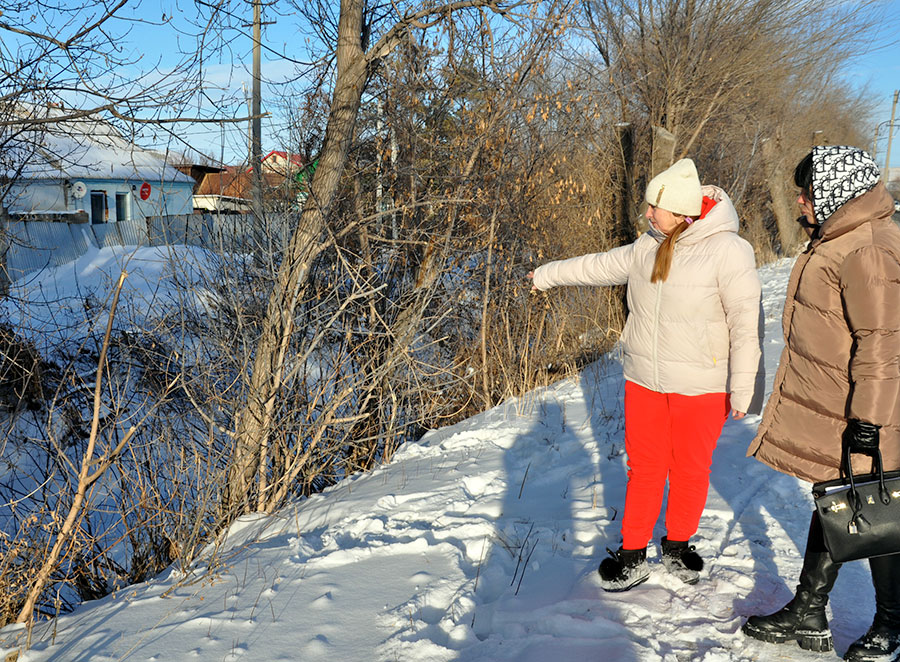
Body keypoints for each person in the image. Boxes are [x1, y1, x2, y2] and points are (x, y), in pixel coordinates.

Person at [528, 158, 763, 592]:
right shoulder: (647, 245)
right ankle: (633, 552)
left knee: (690, 469)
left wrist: (742, 388)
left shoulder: (729, 250)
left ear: (681, 212)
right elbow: (597, 266)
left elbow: (745, 323)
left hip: (701, 385)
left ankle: (677, 543)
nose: (648, 214)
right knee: (646, 468)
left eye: (655, 207)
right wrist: (547, 275)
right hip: (644, 380)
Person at [742, 145, 900, 661]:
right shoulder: (840, 237)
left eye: (807, 190)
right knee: (838, 499)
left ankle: (893, 625)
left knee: (877, 508)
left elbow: (882, 342)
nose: (799, 199)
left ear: (834, 193)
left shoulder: (867, 247)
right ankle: (808, 609)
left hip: (868, 407)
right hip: (842, 400)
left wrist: (870, 422)